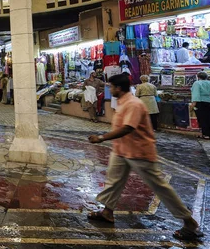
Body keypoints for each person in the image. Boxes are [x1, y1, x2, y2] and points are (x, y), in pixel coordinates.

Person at [87, 74, 203, 241]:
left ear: (118, 88)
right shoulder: (123, 102)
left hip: (139, 151)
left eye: (111, 87)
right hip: (121, 149)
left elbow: (128, 128)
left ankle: (189, 222)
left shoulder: (133, 104)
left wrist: (102, 137)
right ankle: (107, 212)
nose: (109, 89)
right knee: (113, 181)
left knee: (159, 186)